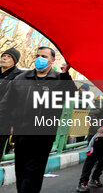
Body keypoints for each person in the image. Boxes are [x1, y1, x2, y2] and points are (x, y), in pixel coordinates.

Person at [0, 46, 75, 193]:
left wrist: (66, 76)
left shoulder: (60, 79)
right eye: (38, 55)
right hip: (21, 135)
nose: (40, 59)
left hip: (43, 136)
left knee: (34, 173)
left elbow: (73, 96)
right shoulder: (20, 78)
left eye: (44, 56)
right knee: (21, 172)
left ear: (52, 60)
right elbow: (5, 105)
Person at [0, 47, 22, 158]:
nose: (5, 58)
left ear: (14, 61)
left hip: (4, 120)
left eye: (9, 57)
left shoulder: (19, 77)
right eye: (4, 55)